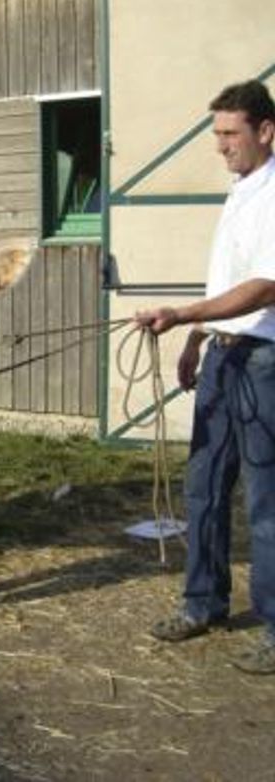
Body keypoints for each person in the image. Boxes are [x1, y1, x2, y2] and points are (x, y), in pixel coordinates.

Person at [135, 79, 275, 675]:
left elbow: (267, 283)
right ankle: (203, 604)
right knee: (203, 487)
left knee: (267, 505)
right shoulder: (241, 188)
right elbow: (230, 280)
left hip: (264, 363)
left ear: (265, 131)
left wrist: (185, 315)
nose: (219, 146)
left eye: (229, 134)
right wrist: (197, 337)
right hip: (223, 356)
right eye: (216, 135)